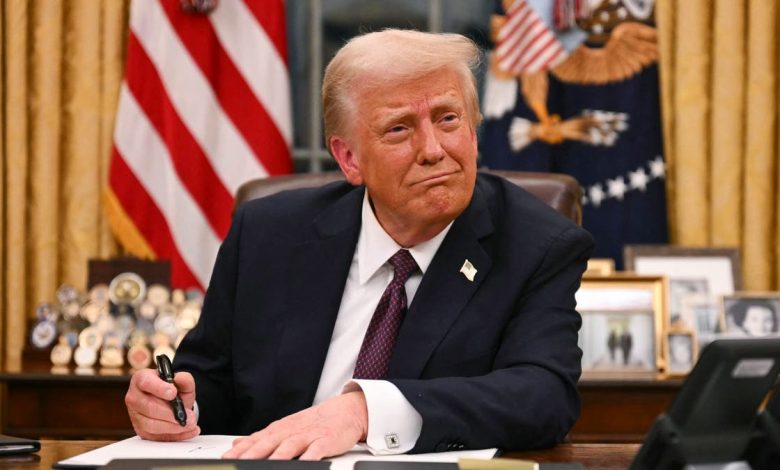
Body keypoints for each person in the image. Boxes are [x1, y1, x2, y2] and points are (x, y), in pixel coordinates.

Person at [124, 29, 594, 460]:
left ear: (473, 132)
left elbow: (544, 395)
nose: (433, 149)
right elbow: (209, 381)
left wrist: (365, 411)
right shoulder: (268, 234)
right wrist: (175, 406)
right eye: (399, 129)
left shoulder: (537, 245)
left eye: (448, 119)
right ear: (349, 159)